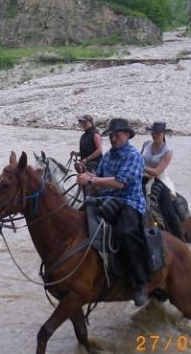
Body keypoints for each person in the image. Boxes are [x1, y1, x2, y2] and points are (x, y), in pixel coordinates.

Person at [76, 118, 150, 306]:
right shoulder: (108, 155)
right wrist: (86, 174)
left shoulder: (133, 156)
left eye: (117, 135)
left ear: (127, 134)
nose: (114, 139)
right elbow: (98, 176)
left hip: (129, 202)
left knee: (125, 233)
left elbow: (119, 183)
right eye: (111, 136)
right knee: (79, 219)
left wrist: (91, 181)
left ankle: (140, 283)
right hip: (106, 199)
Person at [141, 121, 183, 241]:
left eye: (158, 133)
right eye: (153, 133)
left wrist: (139, 166)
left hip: (159, 180)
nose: (154, 135)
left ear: (164, 133)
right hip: (142, 177)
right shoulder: (146, 144)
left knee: (169, 211)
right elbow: (139, 157)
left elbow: (156, 172)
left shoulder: (168, 151)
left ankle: (180, 240)